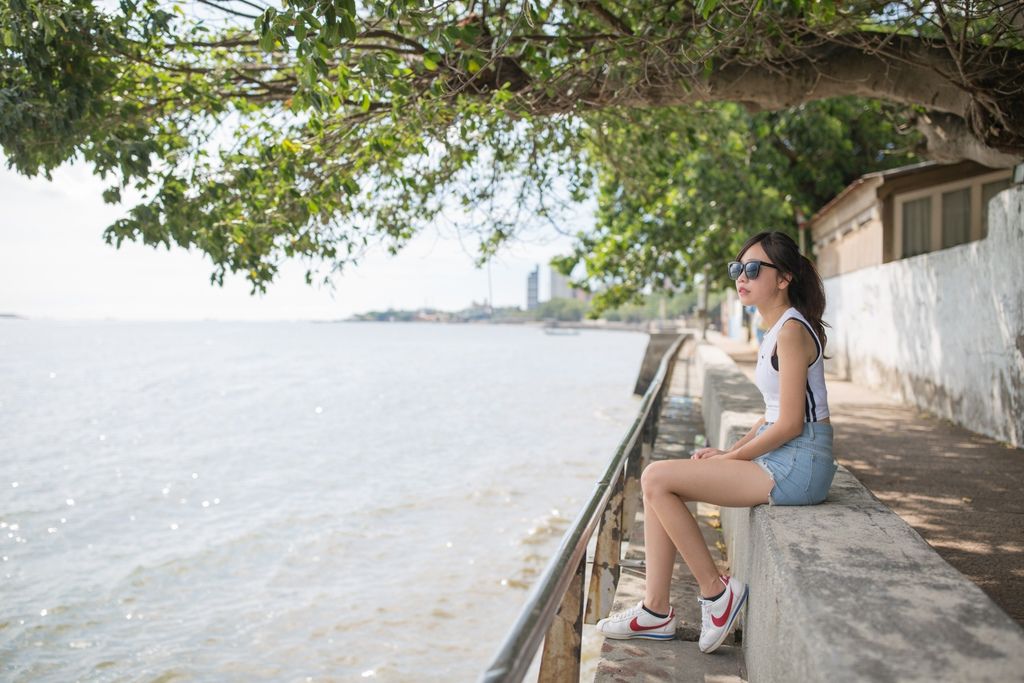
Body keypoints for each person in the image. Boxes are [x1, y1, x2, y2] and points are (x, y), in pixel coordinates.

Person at [596, 231, 837, 654]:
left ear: (784, 278)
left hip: (801, 465)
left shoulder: (791, 331)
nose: (740, 278)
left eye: (752, 269)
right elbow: (771, 413)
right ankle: (654, 610)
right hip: (786, 455)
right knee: (660, 483)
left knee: (656, 478)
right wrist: (728, 454)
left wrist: (732, 459)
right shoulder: (777, 328)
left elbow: (792, 424)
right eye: (736, 269)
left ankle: (717, 594)